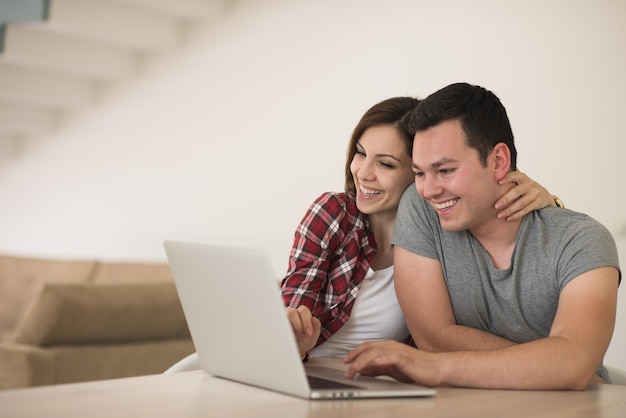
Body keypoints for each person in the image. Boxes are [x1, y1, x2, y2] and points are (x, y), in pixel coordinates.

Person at [343, 83, 621, 390]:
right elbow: (434, 339)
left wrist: (564, 366)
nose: (429, 190)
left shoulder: (582, 240)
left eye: (445, 170)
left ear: (499, 162)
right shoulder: (421, 208)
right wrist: (547, 365)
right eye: (420, 173)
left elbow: (573, 363)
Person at [281, 95, 562, 362]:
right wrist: (295, 337)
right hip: (309, 370)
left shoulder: (445, 234)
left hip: (379, 389)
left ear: (416, 172)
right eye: (360, 153)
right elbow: (295, 302)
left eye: (385, 164)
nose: (364, 173)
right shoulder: (334, 213)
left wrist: (548, 202)